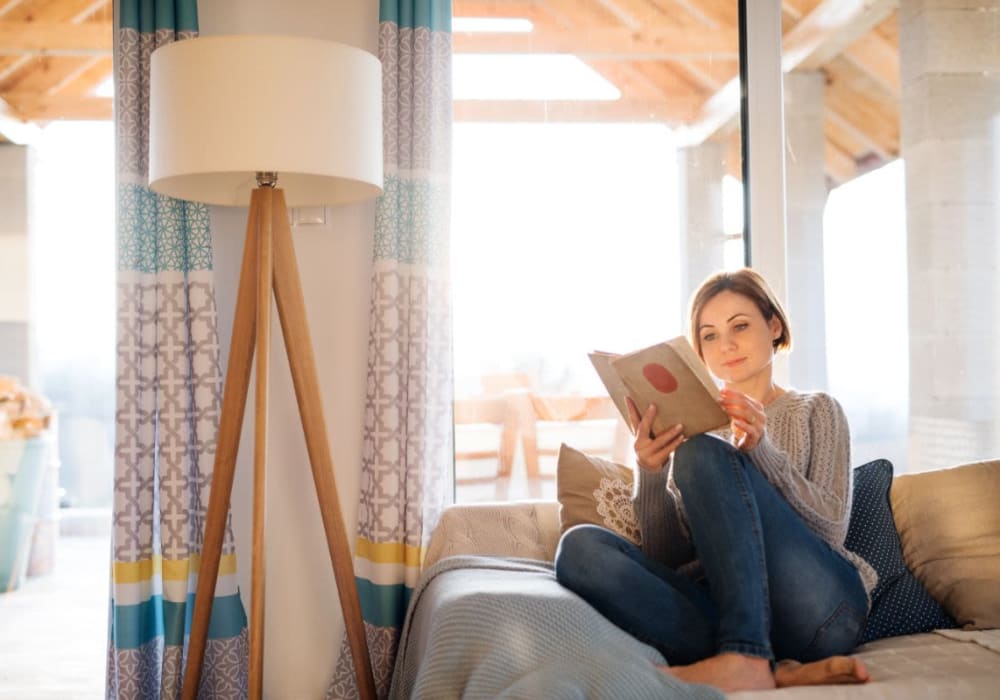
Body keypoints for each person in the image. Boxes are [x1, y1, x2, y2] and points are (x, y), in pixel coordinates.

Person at [555, 268, 878, 692]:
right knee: (579, 548)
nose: (725, 345)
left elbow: (831, 528)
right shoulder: (697, 434)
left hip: (822, 609)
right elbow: (668, 558)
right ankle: (765, 663)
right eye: (709, 336)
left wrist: (759, 451)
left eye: (740, 326)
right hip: (725, 612)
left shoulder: (816, 409)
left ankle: (746, 654)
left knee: (702, 454)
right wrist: (652, 474)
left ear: (774, 326)